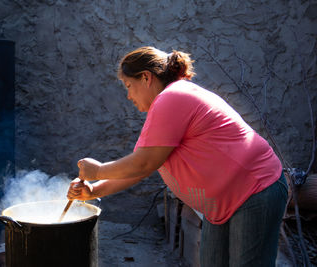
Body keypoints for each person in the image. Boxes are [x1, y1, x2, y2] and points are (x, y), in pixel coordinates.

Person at [67, 46, 288, 266]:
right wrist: (94, 190)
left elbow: (143, 164)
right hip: (223, 201)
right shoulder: (168, 102)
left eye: (129, 86)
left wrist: (97, 171)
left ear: (146, 78)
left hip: (254, 189)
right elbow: (143, 167)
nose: (128, 95)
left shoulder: (172, 98)